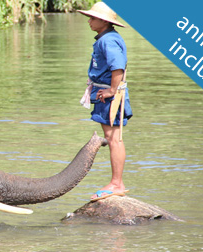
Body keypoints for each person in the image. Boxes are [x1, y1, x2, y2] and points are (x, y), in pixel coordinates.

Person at [77, 2, 133, 201]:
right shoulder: (106, 38)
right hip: (105, 94)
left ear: (104, 21)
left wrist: (111, 90)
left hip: (110, 96)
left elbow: (117, 67)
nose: (89, 22)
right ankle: (116, 182)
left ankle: (117, 183)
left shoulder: (107, 40)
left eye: (92, 18)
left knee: (113, 139)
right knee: (112, 138)